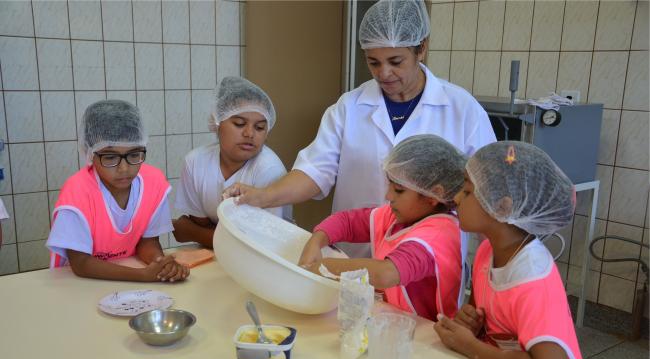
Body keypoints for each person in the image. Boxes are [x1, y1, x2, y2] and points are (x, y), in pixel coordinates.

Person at [224, 0, 495, 258]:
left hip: (429, 266)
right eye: (373, 62)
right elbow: (314, 172)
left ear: (421, 48)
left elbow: (487, 194)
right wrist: (263, 196)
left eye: (395, 62)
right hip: (353, 261)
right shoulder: (350, 107)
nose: (383, 73)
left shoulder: (463, 110)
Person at [434, 141, 587, 359]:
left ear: (502, 207)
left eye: (468, 191)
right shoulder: (488, 251)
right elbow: (484, 319)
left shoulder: (532, 277)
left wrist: (470, 346)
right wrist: (470, 323)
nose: (456, 197)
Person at [299, 135, 465, 321]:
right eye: (390, 186)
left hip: (428, 337)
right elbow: (348, 222)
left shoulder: (440, 234)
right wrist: (317, 240)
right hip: (395, 322)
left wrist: (325, 267)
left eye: (399, 190)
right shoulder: (398, 216)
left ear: (434, 194)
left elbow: (387, 273)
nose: (388, 195)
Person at [46, 100, 189, 283]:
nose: (124, 168)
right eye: (111, 157)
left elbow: (147, 242)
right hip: (76, 285)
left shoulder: (153, 184)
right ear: (91, 154)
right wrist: (142, 275)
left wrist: (160, 265)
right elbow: (80, 263)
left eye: (134, 155)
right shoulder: (77, 192)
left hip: (126, 280)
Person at [172, 76, 290, 248]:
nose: (250, 133)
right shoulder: (195, 162)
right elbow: (201, 223)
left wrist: (193, 233)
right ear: (217, 123)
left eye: (259, 127)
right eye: (240, 123)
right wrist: (206, 233)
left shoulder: (269, 169)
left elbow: (261, 245)